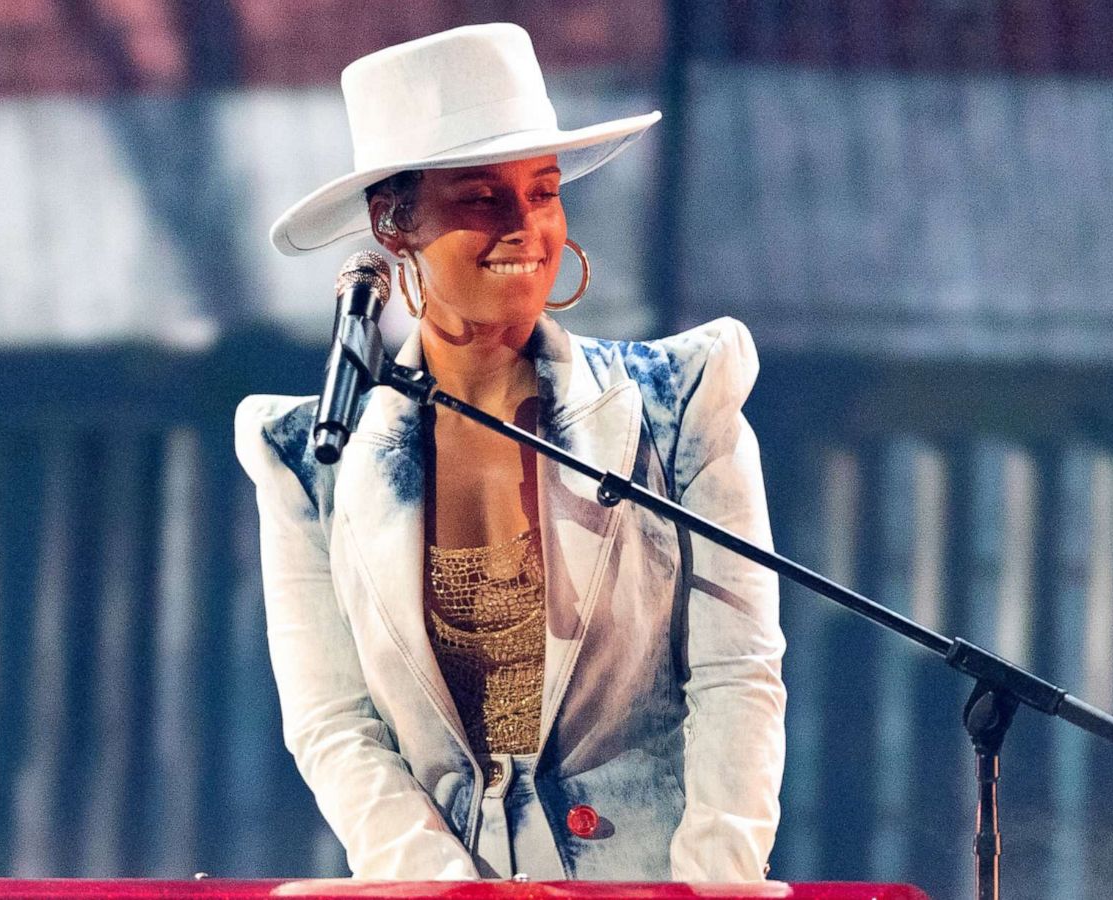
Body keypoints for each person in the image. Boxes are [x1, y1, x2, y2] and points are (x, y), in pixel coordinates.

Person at [235, 23, 785, 882]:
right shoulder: (309, 457)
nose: (525, 225)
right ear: (393, 220)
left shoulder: (677, 404)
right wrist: (445, 888)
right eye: (481, 196)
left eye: (542, 191)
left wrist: (708, 888)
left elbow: (738, 679)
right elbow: (333, 722)